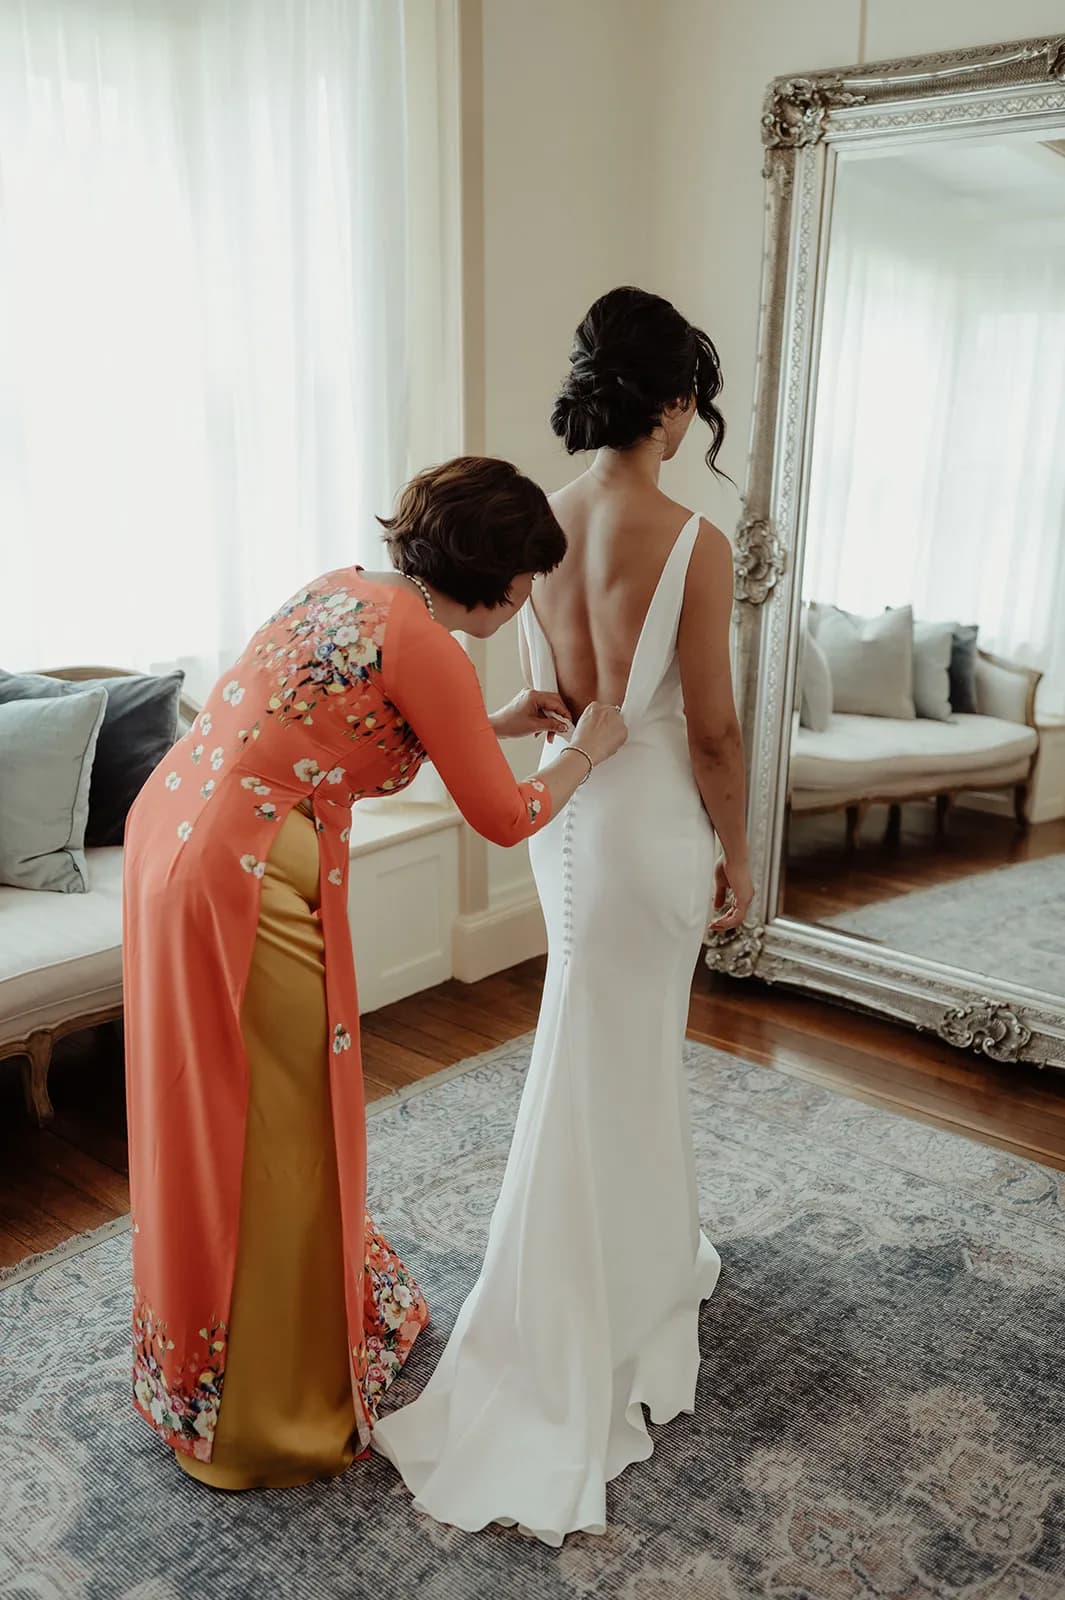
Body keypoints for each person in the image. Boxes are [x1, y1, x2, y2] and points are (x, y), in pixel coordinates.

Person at [122, 455, 627, 1490]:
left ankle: (204, 1362)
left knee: (204, 1109)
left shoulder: (344, 590)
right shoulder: (433, 646)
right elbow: (503, 818)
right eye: (526, 578)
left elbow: (332, 722)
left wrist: (488, 727)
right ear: (490, 570)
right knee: (278, 1121)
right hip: (245, 873)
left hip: (173, 830)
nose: (529, 597)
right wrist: (588, 752)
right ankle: (267, 1407)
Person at [373, 287, 752, 1544]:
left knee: (589, 1039)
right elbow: (711, 729)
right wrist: (738, 852)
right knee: (629, 1049)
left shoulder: (546, 521)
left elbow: (544, 697)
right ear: (673, 403)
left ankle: (621, 1264)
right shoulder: (692, 538)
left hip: (568, 819)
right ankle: (616, 1292)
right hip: (645, 826)